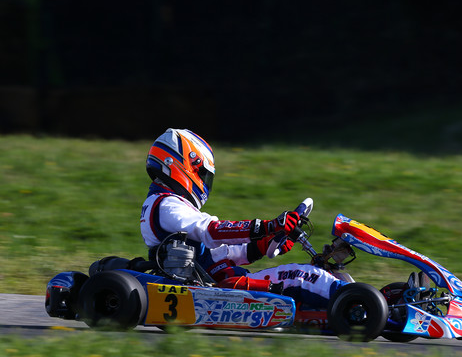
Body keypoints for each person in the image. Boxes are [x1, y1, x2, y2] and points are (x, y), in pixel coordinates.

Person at [139, 128, 347, 308]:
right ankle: (354, 302)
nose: (204, 181)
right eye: (202, 174)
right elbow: (212, 232)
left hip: (224, 280)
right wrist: (268, 226)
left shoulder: (172, 206)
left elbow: (218, 254)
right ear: (179, 164)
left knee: (317, 273)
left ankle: (346, 300)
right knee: (300, 276)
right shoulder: (167, 205)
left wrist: (265, 244)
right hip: (221, 288)